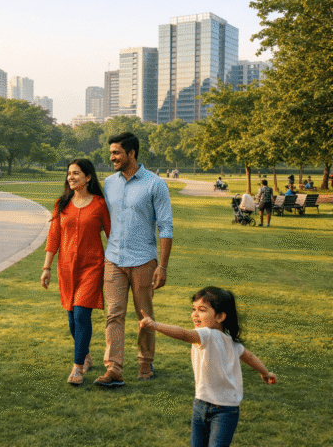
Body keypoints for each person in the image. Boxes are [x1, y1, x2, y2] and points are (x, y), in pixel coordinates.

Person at [139, 287, 276, 446]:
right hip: (204, 403)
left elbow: (183, 334)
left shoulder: (206, 334)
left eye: (202, 310)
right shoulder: (231, 341)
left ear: (220, 316)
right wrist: (265, 373)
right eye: (193, 309)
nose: (195, 314)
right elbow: (250, 357)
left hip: (223, 411)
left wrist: (154, 325)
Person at [95, 132, 173, 387]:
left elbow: (166, 227)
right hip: (114, 259)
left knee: (145, 314)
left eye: (116, 153)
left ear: (131, 154)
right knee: (113, 314)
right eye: (111, 153)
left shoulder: (155, 184)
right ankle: (113, 369)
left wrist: (162, 266)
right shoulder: (109, 183)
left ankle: (145, 363)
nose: (112, 158)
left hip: (143, 261)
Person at [42, 159, 111, 386]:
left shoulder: (100, 204)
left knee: (81, 314)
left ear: (88, 177)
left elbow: (112, 235)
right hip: (66, 268)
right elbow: (53, 237)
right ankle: (86, 355)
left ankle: (78, 367)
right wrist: (46, 267)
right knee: (72, 318)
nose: (71, 177)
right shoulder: (61, 204)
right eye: (69, 174)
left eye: (76, 173)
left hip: (92, 267)